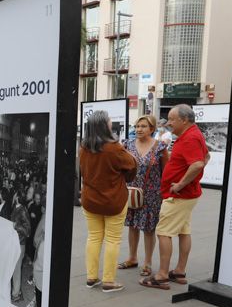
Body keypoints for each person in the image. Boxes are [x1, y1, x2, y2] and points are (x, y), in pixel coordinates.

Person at [141, 104, 209, 290]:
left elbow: (197, 164)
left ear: (184, 120)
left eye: (172, 119)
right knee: (183, 231)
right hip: (186, 194)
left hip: (178, 195)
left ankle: (162, 274)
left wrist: (180, 183)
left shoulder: (190, 138)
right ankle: (179, 270)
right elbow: (206, 157)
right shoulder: (193, 134)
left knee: (164, 232)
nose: (169, 123)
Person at [79, 111, 136, 293]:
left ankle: (91, 277)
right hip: (113, 200)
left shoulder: (83, 148)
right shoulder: (114, 148)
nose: (112, 122)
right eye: (110, 120)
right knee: (113, 239)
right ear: (105, 125)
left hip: (90, 200)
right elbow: (132, 166)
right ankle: (109, 281)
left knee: (94, 237)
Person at [118, 115, 169, 277]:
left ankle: (147, 262)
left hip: (152, 194)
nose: (139, 129)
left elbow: (166, 172)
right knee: (132, 225)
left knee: (148, 228)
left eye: (143, 126)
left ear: (152, 129)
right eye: (137, 126)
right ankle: (132, 258)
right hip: (131, 192)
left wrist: (165, 193)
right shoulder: (126, 145)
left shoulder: (160, 147)